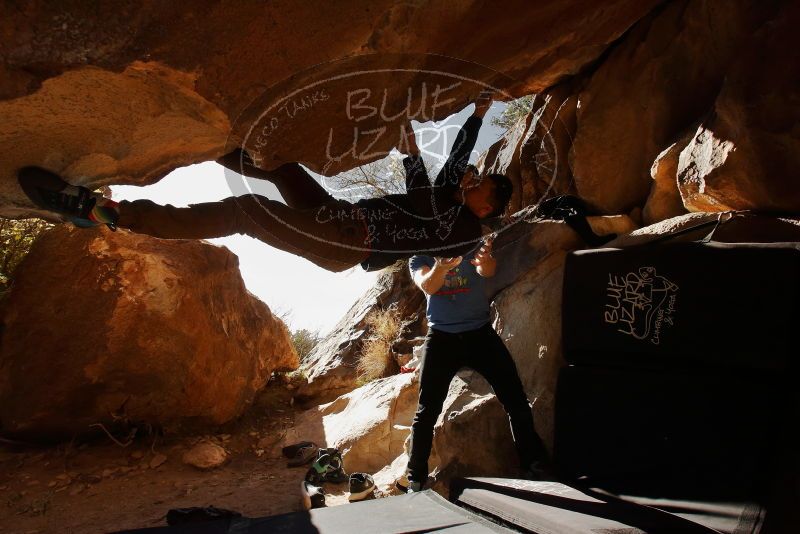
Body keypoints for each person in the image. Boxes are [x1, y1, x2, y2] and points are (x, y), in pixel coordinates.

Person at [17, 92, 511, 273]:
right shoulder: (458, 201)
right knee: (283, 168)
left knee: (247, 212)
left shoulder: (466, 232)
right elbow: (455, 165)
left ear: (487, 209)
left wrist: (411, 159)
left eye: (481, 189)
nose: (472, 184)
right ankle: (217, 142)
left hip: (348, 243)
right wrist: (479, 111)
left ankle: (105, 213)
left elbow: (430, 200)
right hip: (341, 216)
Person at [399, 242, 553, 493]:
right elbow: (428, 285)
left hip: (480, 334)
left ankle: (534, 463)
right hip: (441, 339)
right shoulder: (419, 257)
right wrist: (442, 266)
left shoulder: (470, 245)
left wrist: (485, 261)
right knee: (426, 412)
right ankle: (415, 479)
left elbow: (488, 271)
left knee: (515, 399)